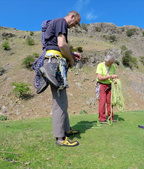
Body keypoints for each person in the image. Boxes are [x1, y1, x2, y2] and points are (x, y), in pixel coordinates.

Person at [41, 11, 82, 147]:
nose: (74, 26)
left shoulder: (58, 23)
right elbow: (61, 44)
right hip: (54, 65)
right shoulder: (61, 22)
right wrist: (71, 60)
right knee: (59, 102)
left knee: (62, 99)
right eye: (75, 22)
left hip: (54, 64)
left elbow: (56, 46)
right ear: (72, 16)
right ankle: (60, 138)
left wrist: (71, 54)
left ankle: (66, 129)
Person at [96, 55, 117, 124]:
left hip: (110, 85)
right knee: (102, 102)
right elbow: (100, 77)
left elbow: (113, 76)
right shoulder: (100, 65)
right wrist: (110, 76)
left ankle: (111, 117)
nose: (112, 63)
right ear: (106, 61)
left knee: (110, 102)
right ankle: (102, 118)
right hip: (102, 85)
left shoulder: (113, 66)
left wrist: (115, 80)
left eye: (112, 62)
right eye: (111, 62)